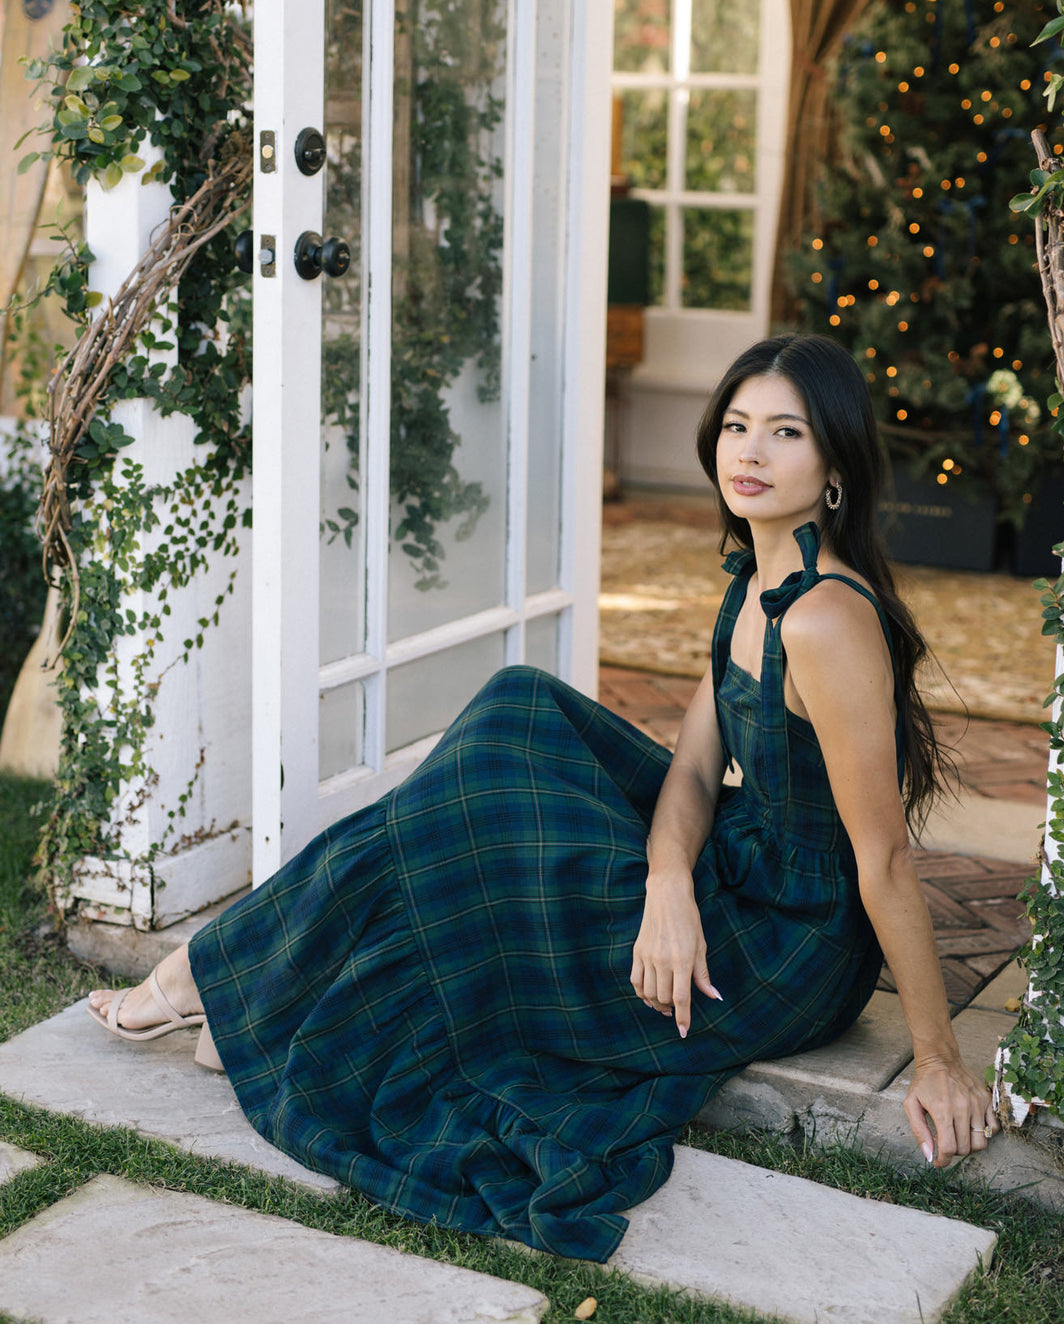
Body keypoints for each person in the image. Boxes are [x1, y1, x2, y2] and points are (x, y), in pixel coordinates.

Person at [87, 333, 997, 1259]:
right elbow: (689, 771)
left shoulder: (823, 618)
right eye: (735, 425)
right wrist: (668, 886)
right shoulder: (758, 582)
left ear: (835, 462)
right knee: (518, 708)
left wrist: (937, 1058)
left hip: (788, 938)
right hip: (728, 863)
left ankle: (221, 975)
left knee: (481, 820)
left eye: (785, 432)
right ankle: (252, 988)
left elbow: (881, 856)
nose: (750, 452)